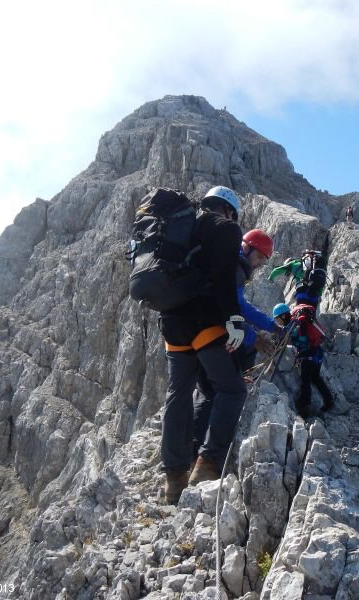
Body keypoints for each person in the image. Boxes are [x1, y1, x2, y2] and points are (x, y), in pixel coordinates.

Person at [158, 185, 247, 504]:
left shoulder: (179, 225)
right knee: (232, 389)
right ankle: (207, 465)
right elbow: (224, 276)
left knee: (178, 392)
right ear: (229, 210)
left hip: (171, 322)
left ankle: (174, 479)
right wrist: (234, 319)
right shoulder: (225, 227)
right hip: (203, 320)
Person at [192, 229, 278, 459]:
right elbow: (236, 309)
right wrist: (255, 337)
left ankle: (190, 452)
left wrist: (270, 326)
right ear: (247, 248)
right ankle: (207, 460)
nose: (260, 264)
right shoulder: (235, 267)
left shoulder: (230, 264)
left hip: (194, 331)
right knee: (228, 391)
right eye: (259, 257)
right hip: (210, 333)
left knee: (206, 391)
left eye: (264, 260)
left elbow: (242, 307)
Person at [275, 303, 335, 418]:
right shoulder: (296, 322)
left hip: (309, 355)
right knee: (316, 378)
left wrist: (279, 342)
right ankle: (329, 401)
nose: (278, 323)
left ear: (283, 316)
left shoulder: (293, 325)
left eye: (278, 319)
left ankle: (304, 408)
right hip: (317, 353)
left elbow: (291, 338)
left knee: (305, 381)